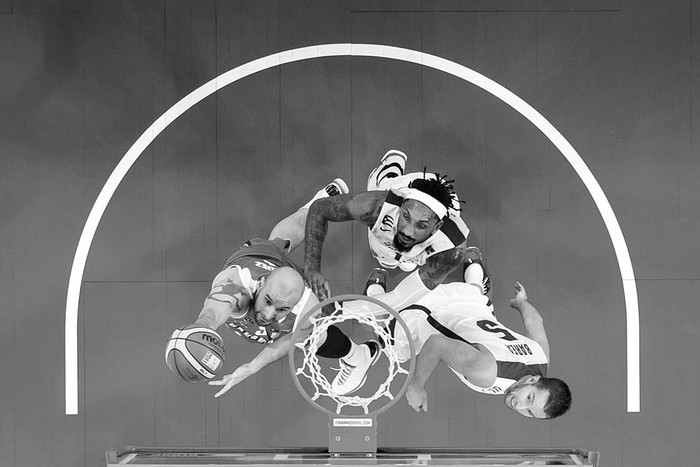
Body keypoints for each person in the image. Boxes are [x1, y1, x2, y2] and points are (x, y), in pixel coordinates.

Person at [170, 178, 379, 398]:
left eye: (280, 309)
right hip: (260, 257)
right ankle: (315, 206)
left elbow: (292, 339)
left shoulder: (306, 306)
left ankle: (359, 356)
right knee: (279, 242)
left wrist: (254, 365)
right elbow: (215, 308)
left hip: (292, 291)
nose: (269, 314)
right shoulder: (235, 287)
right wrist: (204, 327)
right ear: (260, 285)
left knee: (314, 334)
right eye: (268, 301)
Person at [379, 254, 571, 419]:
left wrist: (521, 303)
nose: (520, 406)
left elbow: (535, 321)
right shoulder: (486, 373)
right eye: (529, 399)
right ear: (532, 381)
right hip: (430, 306)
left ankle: (474, 266)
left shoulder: (541, 358)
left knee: (480, 305)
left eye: (529, 412)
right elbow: (436, 344)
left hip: (475, 301)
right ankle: (375, 292)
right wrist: (416, 387)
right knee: (390, 345)